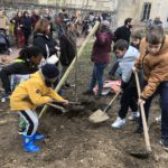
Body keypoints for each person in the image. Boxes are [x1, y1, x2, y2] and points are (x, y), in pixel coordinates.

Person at [10, 64, 69, 153]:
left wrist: (62, 100)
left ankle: (32, 133)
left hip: (28, 102)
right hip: (20, 102)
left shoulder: (43, 79)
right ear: (48, 76)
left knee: (34, 119)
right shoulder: (36, 82)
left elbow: (51, 92)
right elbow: (37, 100)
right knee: (33, 122)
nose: (55, 79)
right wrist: (48, 99)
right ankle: (27, 143)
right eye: (55, 78)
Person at [134, 26, 168, 150]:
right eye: (150, 46)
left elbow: (156, 78)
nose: (153, 50)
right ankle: (142, 126)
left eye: (156, 47)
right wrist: (137, 65)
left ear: (162, 42)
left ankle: (165, 137)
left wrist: (144, 95)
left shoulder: (165, 56)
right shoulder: (144, 41)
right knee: (143, 103)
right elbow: (143, 54)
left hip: (164, 79)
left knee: (166, 106)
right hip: (149, 77)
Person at [111, 40, 140, 128]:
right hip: (134, 76)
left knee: (124, 99)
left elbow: (126, 77)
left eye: (117, 52)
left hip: (137, 79)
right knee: (128, 96)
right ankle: (135, 113)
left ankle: (121, 119)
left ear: (124, 50)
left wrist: (122, 86)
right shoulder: (130, 50)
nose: (116, 55)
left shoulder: (128, 58)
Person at [84, 21, 113, 99]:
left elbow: (101, 41)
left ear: (103, 27)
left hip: (101, 60)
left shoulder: (105, 34)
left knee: (99, 77)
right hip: (100, 59)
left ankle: (99, 93)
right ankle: (90, 90)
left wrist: (96, 32)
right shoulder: (107, 33)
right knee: (94, 76)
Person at [60, 22, 77, 87]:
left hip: (71, 56)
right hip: (66, 57)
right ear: (68, 27)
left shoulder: (72, 34)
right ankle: (61, 84)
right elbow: (63, 49)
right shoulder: (64, 36)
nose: (73, 28)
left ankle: (65, 82)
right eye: (72, 26)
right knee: (64, 71)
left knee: (68, 71)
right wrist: (65, 58)